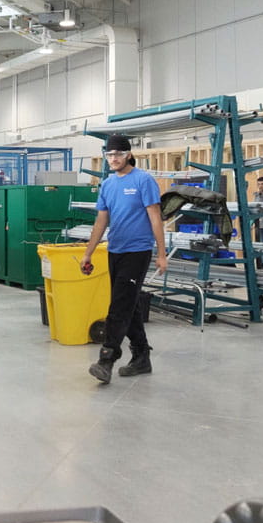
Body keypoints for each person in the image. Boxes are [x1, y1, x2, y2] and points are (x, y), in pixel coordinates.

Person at [79, 134, 168, 384]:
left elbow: (155, 218)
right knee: (130, 305)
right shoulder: (107, 184)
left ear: (128, 154)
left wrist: (161, 254)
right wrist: (88, 252)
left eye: (118, 154)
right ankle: (141, 356)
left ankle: (107, 358)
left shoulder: (143, 181)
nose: (113, 159)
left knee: (119, 306)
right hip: (115, 250)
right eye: (109, 155)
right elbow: (101, 220)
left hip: (137, 251)